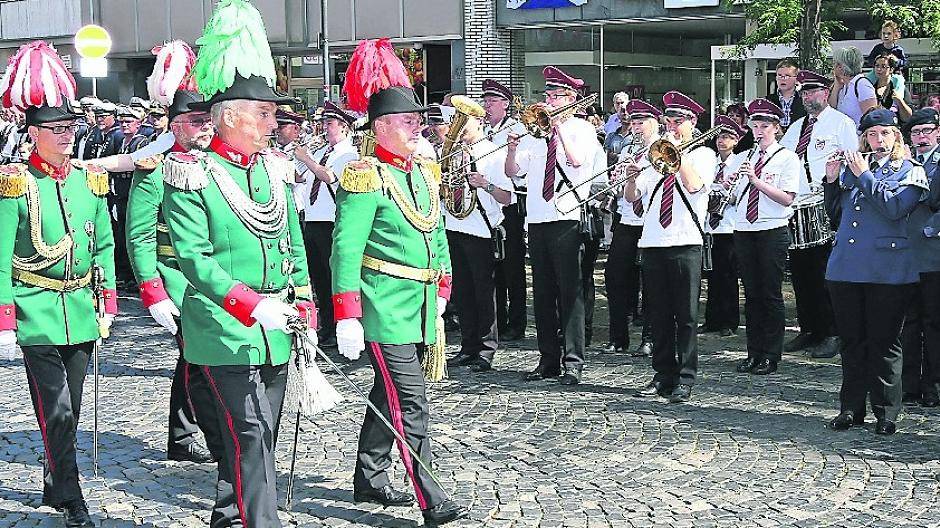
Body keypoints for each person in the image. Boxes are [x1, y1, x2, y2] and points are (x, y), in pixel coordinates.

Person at [162, 1, 318, 524]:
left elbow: (293, 248)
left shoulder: (273, 171)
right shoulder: (192, 173)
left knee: (256, 436)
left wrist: (304, 309)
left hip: (277, 327)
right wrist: (253, 306)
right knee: (250, 435)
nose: (275, 123)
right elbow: (196, 260)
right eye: (265, 114)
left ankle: (230, 515)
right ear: (231, 117)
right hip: (225, 330)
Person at [332, 37, 467, 526]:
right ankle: (430, 495)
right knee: (410, 400)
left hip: (422, 300)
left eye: (418, 122)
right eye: (408, 122)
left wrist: (444, 288)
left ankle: (369, 477)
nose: (418, 129)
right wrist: (347, 314)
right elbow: (345, 249)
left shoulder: (422, 172)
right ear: (382, 126)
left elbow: (438, 230)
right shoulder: (365, 175)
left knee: (386, 393)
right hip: (384, 304)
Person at [0, 41, 118, 528]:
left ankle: (53, 484)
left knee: (68, 403)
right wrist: (5, 320)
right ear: (33, 134)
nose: (68, 136)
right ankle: (73, 498)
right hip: (35, 310)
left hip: (81, 309)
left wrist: (108, 299)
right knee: (58, 411)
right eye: (58, 129)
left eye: (71, 128)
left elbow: (106, 244)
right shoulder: (15, 183)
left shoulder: (87, 181)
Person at [125, 39, 219, 466]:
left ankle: (187, 434)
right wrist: (151, 289)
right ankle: (192, 434)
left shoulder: (217, 162)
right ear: (175, 124)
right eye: (197, 120)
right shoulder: (155, 165)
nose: (205, 127)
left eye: (208, 119)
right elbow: (140, 233)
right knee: (194, 356)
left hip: (216, 278)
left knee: (201, 357)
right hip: (177, 277)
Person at [824, 108, 927, 435]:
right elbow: (836, 215)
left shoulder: (909, 170)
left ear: (895, 136)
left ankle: (886, 412)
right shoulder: (854, 171)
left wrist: (864, 175)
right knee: (852, 342)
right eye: (871, 135)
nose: (877, 140)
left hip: (888, 270)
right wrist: (831, 180)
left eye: (884, 133)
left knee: (884, 342)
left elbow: (895, 208)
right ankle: (850, 409)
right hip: (847, 267)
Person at [505, 66, 598, 385]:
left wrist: (556, 129)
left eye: (555, 95)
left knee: (569, 291)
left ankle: (574, 360)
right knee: (542, 293)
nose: (549, 100)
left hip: (567, 217)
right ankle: (548, 360)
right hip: (538, 218)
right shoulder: (534, 133)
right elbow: (513, 173)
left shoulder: (582, 130)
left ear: (571, 99)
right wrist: (513, 146)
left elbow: (577, 162)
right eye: (547, 95)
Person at [626, 91, 716, 403]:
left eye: (679, 121)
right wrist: (629, 179)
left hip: (685, 242)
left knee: (687, 316)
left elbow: (693, 186)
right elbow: (633, 200)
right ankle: (662, 374)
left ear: (693, 123)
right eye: (669, 121)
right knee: (659, 314)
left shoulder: (704, 155)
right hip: (652, 241)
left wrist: (679, 154)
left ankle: (686, 377)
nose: (673, 126)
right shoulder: (653, 155)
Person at [780, 70, 858, 359]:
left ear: (826, 93)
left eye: (813, 92)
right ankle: (809, 327)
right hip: (798, 203)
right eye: (804, 93)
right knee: (801, 272)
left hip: (825, 198)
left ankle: (832, 331)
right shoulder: (797, 126)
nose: (808, 97)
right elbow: (785, 159)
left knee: (824, 271)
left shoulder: (842, 123)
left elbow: (852, 161)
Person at [731, 99, 799, 376]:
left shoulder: (787, 158)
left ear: (776, 128)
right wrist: (728, 185)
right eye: (755, 126)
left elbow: (786, 198)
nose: (758, 131)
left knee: (770, 294)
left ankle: (771, 354)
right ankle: (753, 352)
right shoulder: (744, 157)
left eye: (764, 126)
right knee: (751, 294)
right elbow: (734, 197)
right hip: (744, 229)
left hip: (772, 229)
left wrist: (756, 181)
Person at [444, 103, 513, 372]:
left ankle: (486, 348)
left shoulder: (492, 153)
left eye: (463, 122)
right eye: (455, 122)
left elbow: (507, 197)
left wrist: (485, 185)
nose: (457, 128)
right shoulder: (451, 154)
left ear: (478, 122)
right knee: (462, 293)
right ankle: (467, 345)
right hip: (455, 225)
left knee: (484, 293)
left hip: (481, 231)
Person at [293, 102, 358, 347]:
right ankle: (327, 326)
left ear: (344, 128)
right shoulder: (320, 152)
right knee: (319, 278)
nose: (324, 128)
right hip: (313, 219)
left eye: (329, 124)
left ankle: (339, 325)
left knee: (333, 277)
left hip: (331, 221)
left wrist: (306, 158)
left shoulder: (348, 154)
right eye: (324, 123)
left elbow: (329, 177)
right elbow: (302, 177)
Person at [605, 99, 660, 355]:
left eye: (641, 123)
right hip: (626, 219)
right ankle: (618, 336)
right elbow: (619, 191)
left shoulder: (662, 151)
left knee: (651, 282)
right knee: (615, 276)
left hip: (651, 221)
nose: (636, 128)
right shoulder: (628, 152)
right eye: (634, 123)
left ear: (654, 124)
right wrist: (618, 182)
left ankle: (650, 337)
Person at [482, 79, 528, 341]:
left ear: (505, 105)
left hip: (511, 203)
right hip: (491, 205)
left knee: (512, 265)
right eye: (486, 101)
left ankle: (517, 322)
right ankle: (498, 318)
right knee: (495, 265)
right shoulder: (487, 130)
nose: (487, 106)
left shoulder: (514, 130)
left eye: (492, 102)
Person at [900, 107, 940, 407]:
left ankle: (933, 385)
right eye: (915, 132)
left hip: (933, 253)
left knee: (934, 322)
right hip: (904, 254)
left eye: (926, 131)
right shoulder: (904, 163)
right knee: (908, 323)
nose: (921, 137)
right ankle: (910, 384)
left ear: (937, 132)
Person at [701, 115, 744, 337]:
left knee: (728, 275)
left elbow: (738, 193)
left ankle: (729, 320)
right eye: (719, 136)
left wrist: (723, 190)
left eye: (727, 137)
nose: (722, 140)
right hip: (709, 225)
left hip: (728, 225)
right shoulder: (710, 161)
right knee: (712, 274)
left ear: (736, 141)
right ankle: (712, 318)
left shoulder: (739, 162)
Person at [110, 105, 151, 289]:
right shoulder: (122, 141)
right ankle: (126, 274)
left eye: (128, 122)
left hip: (132, 191)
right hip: (120, 191)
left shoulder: (141, 142)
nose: (124, 125)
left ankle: (135, 276)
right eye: (121, 122)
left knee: (133, 234)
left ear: (139, 123)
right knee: (121, 234)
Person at [830, 46, 878, 127]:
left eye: (835, 63)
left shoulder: (862, 85)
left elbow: (872, 120)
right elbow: (831, 110)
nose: (833, 67)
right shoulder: (844, 86)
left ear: (841, 66)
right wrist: (836, 87)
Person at [766, 58, 807, 130]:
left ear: (796, 78)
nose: (783, 79)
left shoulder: (804, 100)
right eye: (779, 75)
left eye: (787, 76)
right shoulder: (768, 101)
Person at [871, 53, 913, 121]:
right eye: (877, 66)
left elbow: (908, 118)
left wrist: (899, 101)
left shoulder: (900, 90)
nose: (879, 69)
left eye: (883, 66)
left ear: (891, 69)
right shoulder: (870, 88)